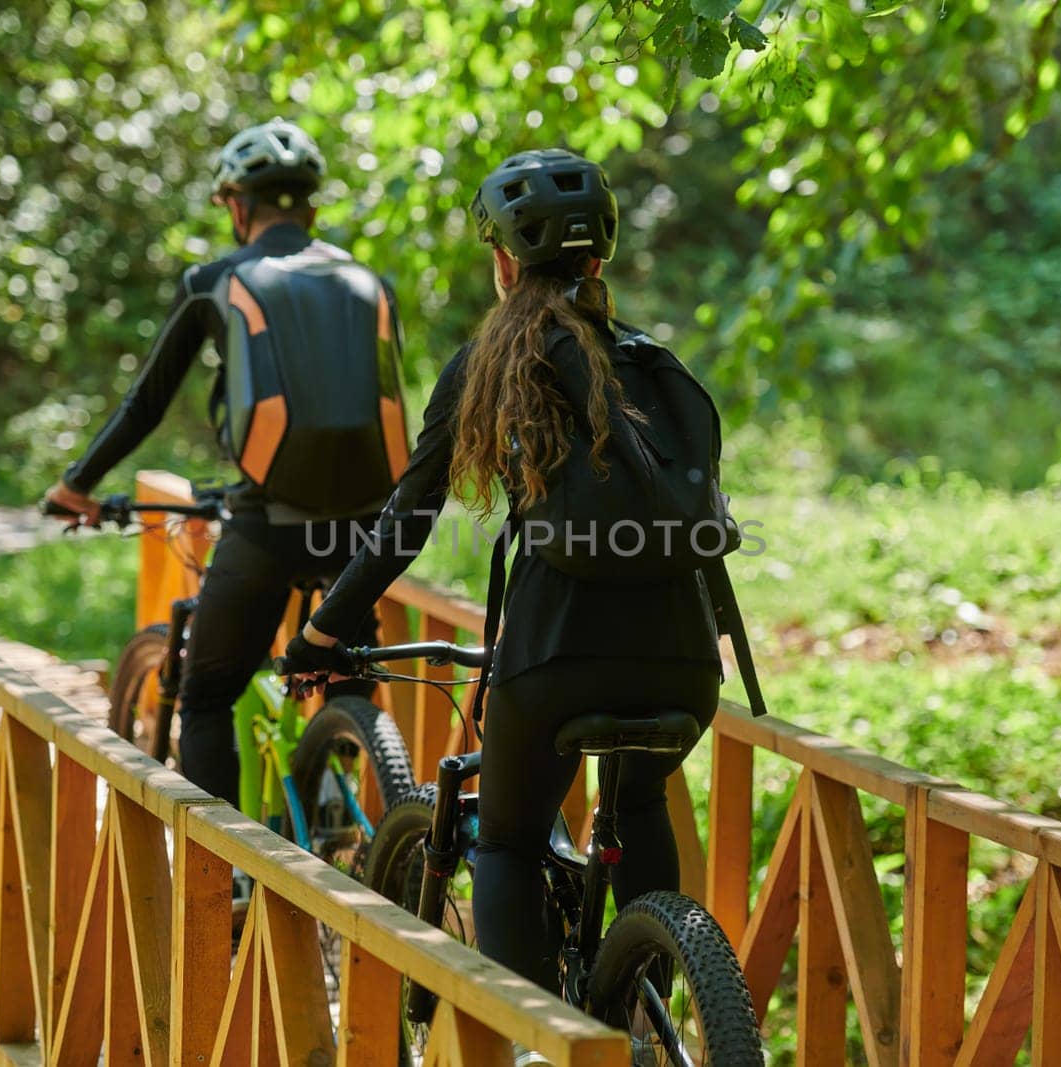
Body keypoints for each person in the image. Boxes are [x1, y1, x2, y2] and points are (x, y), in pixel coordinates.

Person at [279, 149, 722, 999]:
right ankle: (650, 1013)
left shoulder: (493, 363)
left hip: (559, 651)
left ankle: (529, 1045)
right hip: (686, 654)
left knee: (509, 842)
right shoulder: (653, 363)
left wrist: (321, 630)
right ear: (600, 260)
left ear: (505, 262)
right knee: (639, 805)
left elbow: (406, 521)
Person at [44, 118, 388, 806]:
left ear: (237, 205)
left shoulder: (216, 281)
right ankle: (351, 811)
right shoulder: (363, 279)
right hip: (366, 530)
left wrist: (76, 484)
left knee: (205, 696)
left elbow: (146, 403)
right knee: (348, 672)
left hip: (267, 526)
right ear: (312, 206)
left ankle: (224, 881)